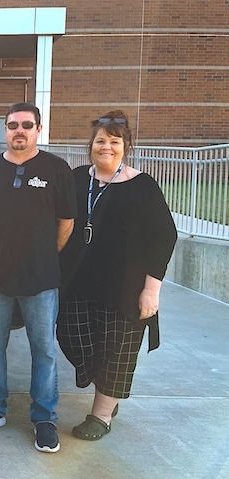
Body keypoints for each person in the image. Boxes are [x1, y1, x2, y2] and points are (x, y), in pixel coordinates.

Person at [57, 110, 177, 440]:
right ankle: (109, 392)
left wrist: (151, 290)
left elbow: (164, 237)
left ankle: (101, 414)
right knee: (72, 337)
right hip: (78, 282)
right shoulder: (78, 178)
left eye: (114, 141)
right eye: (100, 141)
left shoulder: (142, 185)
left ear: (126, 146)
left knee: (117, 350)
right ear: (90, 145)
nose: (106, 147)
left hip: (125, 287)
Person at [0, 102, 76, 453]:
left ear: (38, 130)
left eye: (26, 125)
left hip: (41, 279)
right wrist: (3, 253)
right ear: (5, 130)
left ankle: (44, 417)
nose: (19, 131)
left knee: (43, 350)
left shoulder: (57, 170)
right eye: (13, 125)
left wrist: (42, 256)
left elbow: (66, 224)